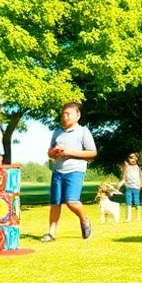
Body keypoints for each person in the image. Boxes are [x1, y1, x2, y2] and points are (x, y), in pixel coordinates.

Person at [41, 101, 95, 242]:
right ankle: (51, 233)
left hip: (75, 170)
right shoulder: (57, 132)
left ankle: (84, 220)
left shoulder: (83, 132)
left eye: (68, 114)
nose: (65, 117)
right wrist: (54, 152)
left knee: (71, 201)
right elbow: (49, 152)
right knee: (55, 203)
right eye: (63, 114)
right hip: (58, 171)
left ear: (78, 115)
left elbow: (92, 152)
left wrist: (70, 152)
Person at [119, 152, 142, 222]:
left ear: (137, 158)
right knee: (128, 203)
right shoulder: (126, 168)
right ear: (128, 159)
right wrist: (119, 185)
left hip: (136, 188)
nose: (133, 159)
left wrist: (140, 185)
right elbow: (124, 178)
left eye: (134, 157)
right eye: (131, 157)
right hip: (128, 188)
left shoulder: (139, 168)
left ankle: (138, 217)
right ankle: (129, 218)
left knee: (137, 202)